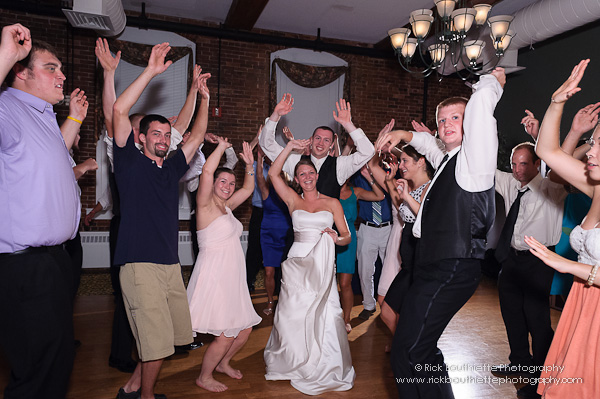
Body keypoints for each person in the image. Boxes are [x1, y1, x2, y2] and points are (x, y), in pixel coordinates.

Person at [376, 67, 506, 398]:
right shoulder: (450, 160)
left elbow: (479, 116)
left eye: (456, 118)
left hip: (453, 265)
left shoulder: (475, 161)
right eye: (442, 119)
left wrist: (490, 83)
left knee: (409, 351)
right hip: (433, 265)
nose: (447, 125)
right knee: (419, 351)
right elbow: (432, 148)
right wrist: (405, 134)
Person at [112, 42, 210, 399]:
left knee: (167, 338)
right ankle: (146, 397)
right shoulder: (127, 162)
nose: (164, 139)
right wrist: (152, 72)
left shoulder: (170, 167)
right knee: (154, 344)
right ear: (140, 138)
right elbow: (120, 109)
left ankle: (131, 390)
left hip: (169, 264)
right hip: (139, 264)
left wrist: (203, 97)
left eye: (167, 135)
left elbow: (197, 135)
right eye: (156, 133)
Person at [0, 24, 80, 399]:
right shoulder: (8, 108)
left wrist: (75, 118)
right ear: (21, 71)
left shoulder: (43, 116)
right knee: (36, 370)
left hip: (52, 262)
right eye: (51, 67)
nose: (61, 74)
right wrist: (6, 53)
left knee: (57, 360)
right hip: (25, 264)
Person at [524, 59, 600, 398]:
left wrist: (567, 265)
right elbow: (547, 151)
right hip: (582, 304)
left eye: (598, 145)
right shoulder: (595, 188)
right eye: (593, 142)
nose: (591, 152)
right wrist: (557, 102)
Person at [264, 139, 356, 395]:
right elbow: (272, 173)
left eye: (310, 173)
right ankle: (292, 360)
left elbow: (347, 235)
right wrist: (290, 146)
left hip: (323, 263)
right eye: (301, 174)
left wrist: (336, 238)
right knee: (291, 313)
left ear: (317, 175)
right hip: (297, 263)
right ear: (296, 178)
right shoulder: (293, 199)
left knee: (326, 313)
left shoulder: (333, 203)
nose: (307, 177)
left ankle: (324, 362)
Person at [491, 142, 567, 398]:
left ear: (537, 164)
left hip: (539, 261)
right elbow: (480, 166)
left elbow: (559, 163)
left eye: (523, 163)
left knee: (537, 318)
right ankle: (520, 364)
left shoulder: (551, 187)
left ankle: (544, 372)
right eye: (513, 164)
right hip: (511, 260)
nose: (517, 170)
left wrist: (541, 138)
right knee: (512, 314)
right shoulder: (510, 182)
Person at [186, 136, 261, 393]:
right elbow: (207, 170)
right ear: (213, 183)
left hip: (233, 278)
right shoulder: (204, 205)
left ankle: (223, 363)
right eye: (223, 181)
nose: (228, 186)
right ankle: (204, 376)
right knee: (225, 333)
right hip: (215, 276)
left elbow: (249, 189)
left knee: (245, 328)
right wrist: (220, 147)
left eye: (231, 182)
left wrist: (249, 165)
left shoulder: (227, 207)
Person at [259, 94, 374, 199]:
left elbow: (368, 152)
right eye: (318, 138)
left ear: (331, 145)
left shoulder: (340, 165)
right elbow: (266, 144)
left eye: (326, 140)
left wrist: (348, 125)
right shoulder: (295, 161)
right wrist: (276, 115)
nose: (320, 143)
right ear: (311, 140)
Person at [380, 145, 432, 344]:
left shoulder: (429, 186)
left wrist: (407, 196)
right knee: (388, 311)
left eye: (404, 161)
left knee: (396, 312)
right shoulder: (415, 187)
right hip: (408, 263)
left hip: (419, 263)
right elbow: (400, 206)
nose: (401, 165)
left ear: (421, 162)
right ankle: (405, 348)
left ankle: (407, 351)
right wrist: (390, 182)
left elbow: (427, 218)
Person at [337, 165, 385, 331]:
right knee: (364, 271)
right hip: (358, 230)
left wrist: (371, 176)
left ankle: (387, 306)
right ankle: (368, 305)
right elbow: (340, 162)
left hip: (383, 229)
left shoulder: (387, 175)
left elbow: (381, 195)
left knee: (389, 273)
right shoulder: (354, 179)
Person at [256, 145, 292, 315]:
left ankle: (285, 302)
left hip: (285, 237)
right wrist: (259, 158)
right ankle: (270, 301)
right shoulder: (266, 191)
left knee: (286, 272)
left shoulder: (289, 193)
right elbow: (259, 179)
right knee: (269, 272)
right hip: (268, 236)